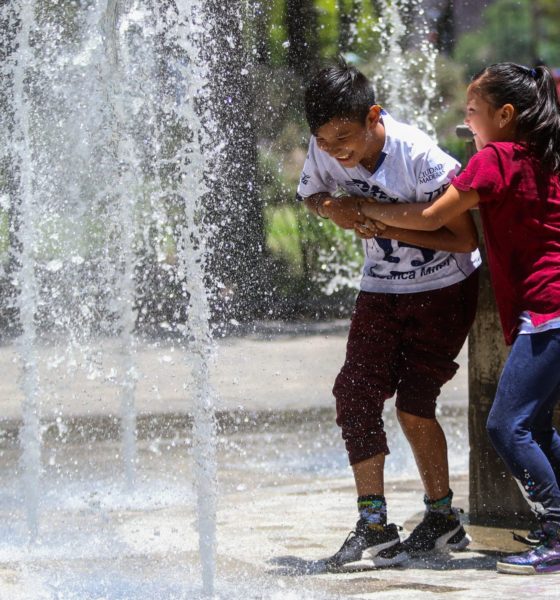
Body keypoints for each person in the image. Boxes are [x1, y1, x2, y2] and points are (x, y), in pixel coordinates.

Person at [359, 62, 560, 575]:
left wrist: (367, 210)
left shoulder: (495, 157)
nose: (466, 123)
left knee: (507, 426)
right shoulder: (540, 153)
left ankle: (557, 532)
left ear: (506, 115)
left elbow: (432, 216)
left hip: (549, 307)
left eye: (473, 113)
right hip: (551, 309)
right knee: (534, 423)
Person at [296, 61, 481, 568]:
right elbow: (312, 194)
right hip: (381, 289)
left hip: (444, 288)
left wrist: (377, 218)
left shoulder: (418, 156)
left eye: (345, 139)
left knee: (414, 405)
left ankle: (443, 519)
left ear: (374, 116)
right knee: (354, 393)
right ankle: (373, 524)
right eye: (325, 141)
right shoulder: (324, 146)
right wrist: (330, 208)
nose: (337, 152)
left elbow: (463, 237)